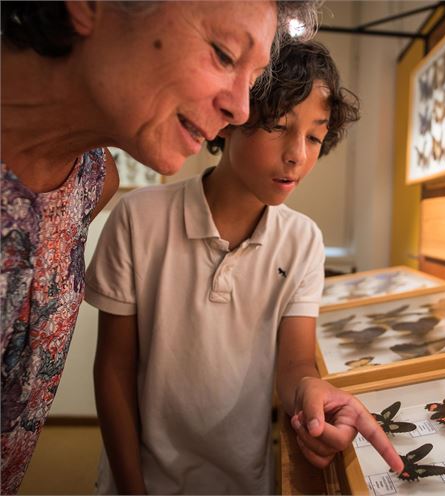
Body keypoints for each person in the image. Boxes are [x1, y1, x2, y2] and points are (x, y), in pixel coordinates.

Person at [0, 2, 319, 493]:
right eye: (223, 53)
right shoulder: (137, 214)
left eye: (254, 78)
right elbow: (114, 366)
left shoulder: (89, 182)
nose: (242, 108)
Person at [85, 40, 404, 494]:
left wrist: (310, 391)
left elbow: (294, 363)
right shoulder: (139, 218)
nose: (298, 154)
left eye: (314, 136)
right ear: (230, 118)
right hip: (139, 479)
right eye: (277, 125)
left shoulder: (302, 240)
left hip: (245, 480)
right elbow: (113, 369)